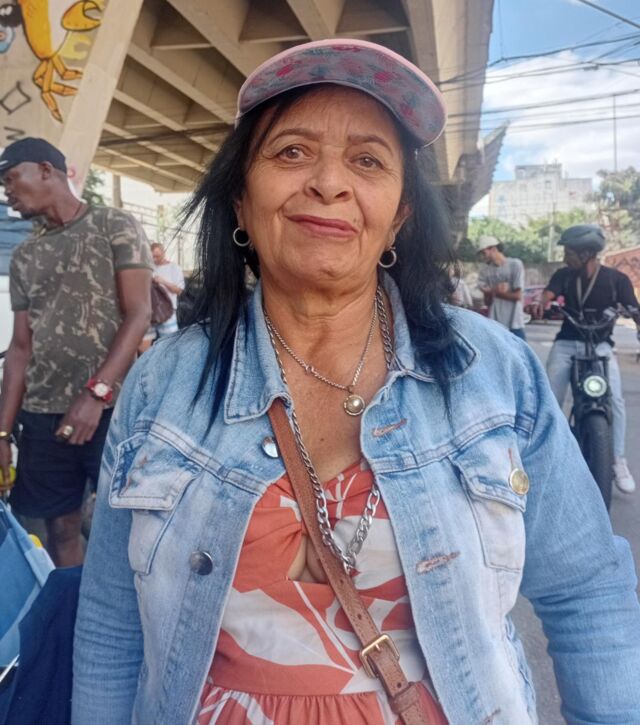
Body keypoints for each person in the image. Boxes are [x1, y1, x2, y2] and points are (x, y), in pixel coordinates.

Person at [73, 40, 640, 725]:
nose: (329, 183)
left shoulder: (495, 372)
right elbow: (111, 621)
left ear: (398, 216)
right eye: (292, 152)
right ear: (241, 203)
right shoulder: (161, 385)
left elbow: (587, 592)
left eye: (368, 160)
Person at [0, 138, 152, 567]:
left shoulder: (113, 225)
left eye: (11, 178)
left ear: (46, 170)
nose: (7, 192)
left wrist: (96, 394)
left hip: (112, 412)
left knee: (128, 529)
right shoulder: (25, 255)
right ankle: (73, 606)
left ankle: (118, 607)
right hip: (43, 417)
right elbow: (20, 348)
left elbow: (139, 314)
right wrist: (3, 435)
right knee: (60, 529)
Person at [541, 223, 640, 494]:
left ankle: (617, 460)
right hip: (566, 344)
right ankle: (546, 454)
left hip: (601, 347)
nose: (565, 257)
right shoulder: (564, 276)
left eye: (569, 252)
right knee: (549, 396)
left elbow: (633, 308)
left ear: (586, 253)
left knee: (616, 400)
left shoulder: (616, 280)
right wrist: (542, 303)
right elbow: (548, 294)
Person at [476, 235, 527, 340]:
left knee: (520, 349)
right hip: (495, 321)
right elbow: (487, 302)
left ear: (493, 249)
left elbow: (517, 296)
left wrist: (493, 291)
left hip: (514, 321)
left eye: (484, 253)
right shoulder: (485, 270)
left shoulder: (515, 265)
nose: (482, 256)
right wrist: (495, 290)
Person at [139, 242, 185, 351]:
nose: (154, 259)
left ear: (164, 253)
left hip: (167, 312)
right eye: (152, 257)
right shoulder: (149, 268)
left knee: (170, 345)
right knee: (143, 344)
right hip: (149, 312)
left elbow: (179, 291)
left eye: (157, 256)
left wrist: (163, 281)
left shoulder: (174, 268)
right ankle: (149, 360)